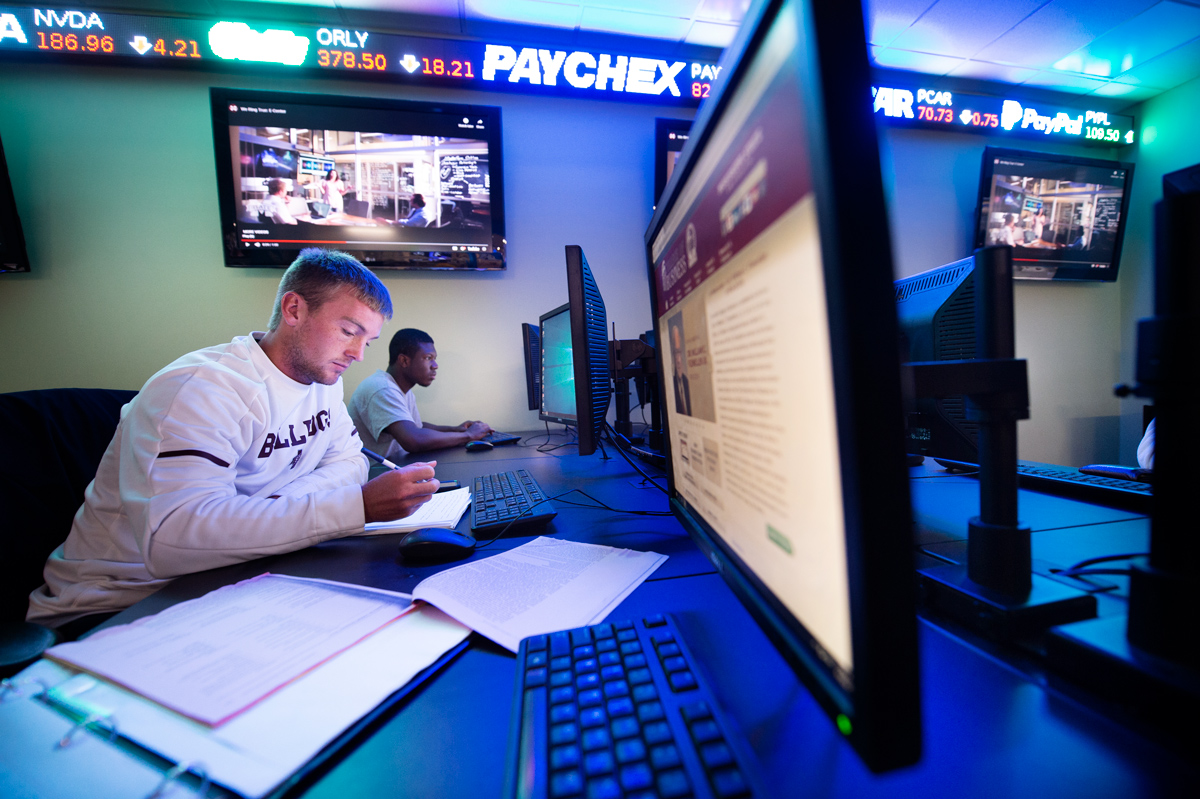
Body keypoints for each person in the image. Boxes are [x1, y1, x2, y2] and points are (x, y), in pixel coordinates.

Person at [27, 249, 439, 632]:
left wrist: (270, 511)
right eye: (348, 331)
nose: (357, 354)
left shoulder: (322, 381)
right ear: (294, 309)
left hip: (231, 574)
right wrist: (354, 506)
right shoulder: (202, 388)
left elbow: (351, 463)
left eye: (366, 341)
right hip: (119, 603)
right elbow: (172, 539)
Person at [349, 328, 492, 460]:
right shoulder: (382, 388)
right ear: (404, 360)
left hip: (395, 467)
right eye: (428, 358)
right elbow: (414, 440)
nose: (435, 365)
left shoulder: (400, 389)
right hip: (373, 476)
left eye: (434, 359)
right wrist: (469, 436)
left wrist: (457, 430)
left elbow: (416, 427)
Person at [670, 321, 691, 416]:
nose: (678, 360)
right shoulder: (671, 385)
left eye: (679, 352)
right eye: (676, 352)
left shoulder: (687, 382)